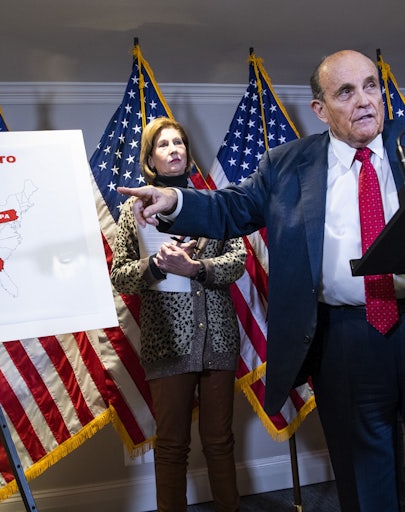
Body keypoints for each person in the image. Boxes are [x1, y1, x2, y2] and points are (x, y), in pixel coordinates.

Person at [118, 50, 405, 512]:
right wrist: (173, 200)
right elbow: (231, 208)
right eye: (346, 92)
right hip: (347, 341)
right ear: (320, 109)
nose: (365, 100)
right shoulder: (287, 164)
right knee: (366, 484)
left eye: (371, 86)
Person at [110, 117, 247, 512]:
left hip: (218, 336)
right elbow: (120, 276)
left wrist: (197, 269)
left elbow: (236, 261)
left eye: (179, 142)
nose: (174, 149)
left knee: (220, 440)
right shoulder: (131, 213)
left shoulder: (213, 202)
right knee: (171, 444)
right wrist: (157, 265)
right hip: (165, 340)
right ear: (150, 158)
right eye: (163, 144)